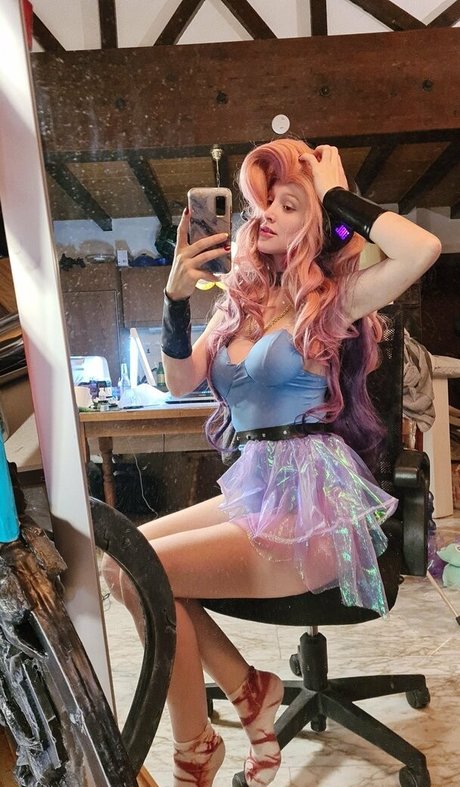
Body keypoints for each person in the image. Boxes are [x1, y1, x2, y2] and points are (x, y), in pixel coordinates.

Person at [103, 139, 441, 787]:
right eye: (261, 203)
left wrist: (337, 197)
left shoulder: (333, 299)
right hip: (255, 483)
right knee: (123, 563)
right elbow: (179, 380)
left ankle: (194, 751)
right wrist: (175, 298)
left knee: (146, 571)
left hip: (315, 498)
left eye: (289, 204)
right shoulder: (237, 306)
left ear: (314, 220)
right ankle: (248, 688)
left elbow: (420, 250)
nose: (267, 215)